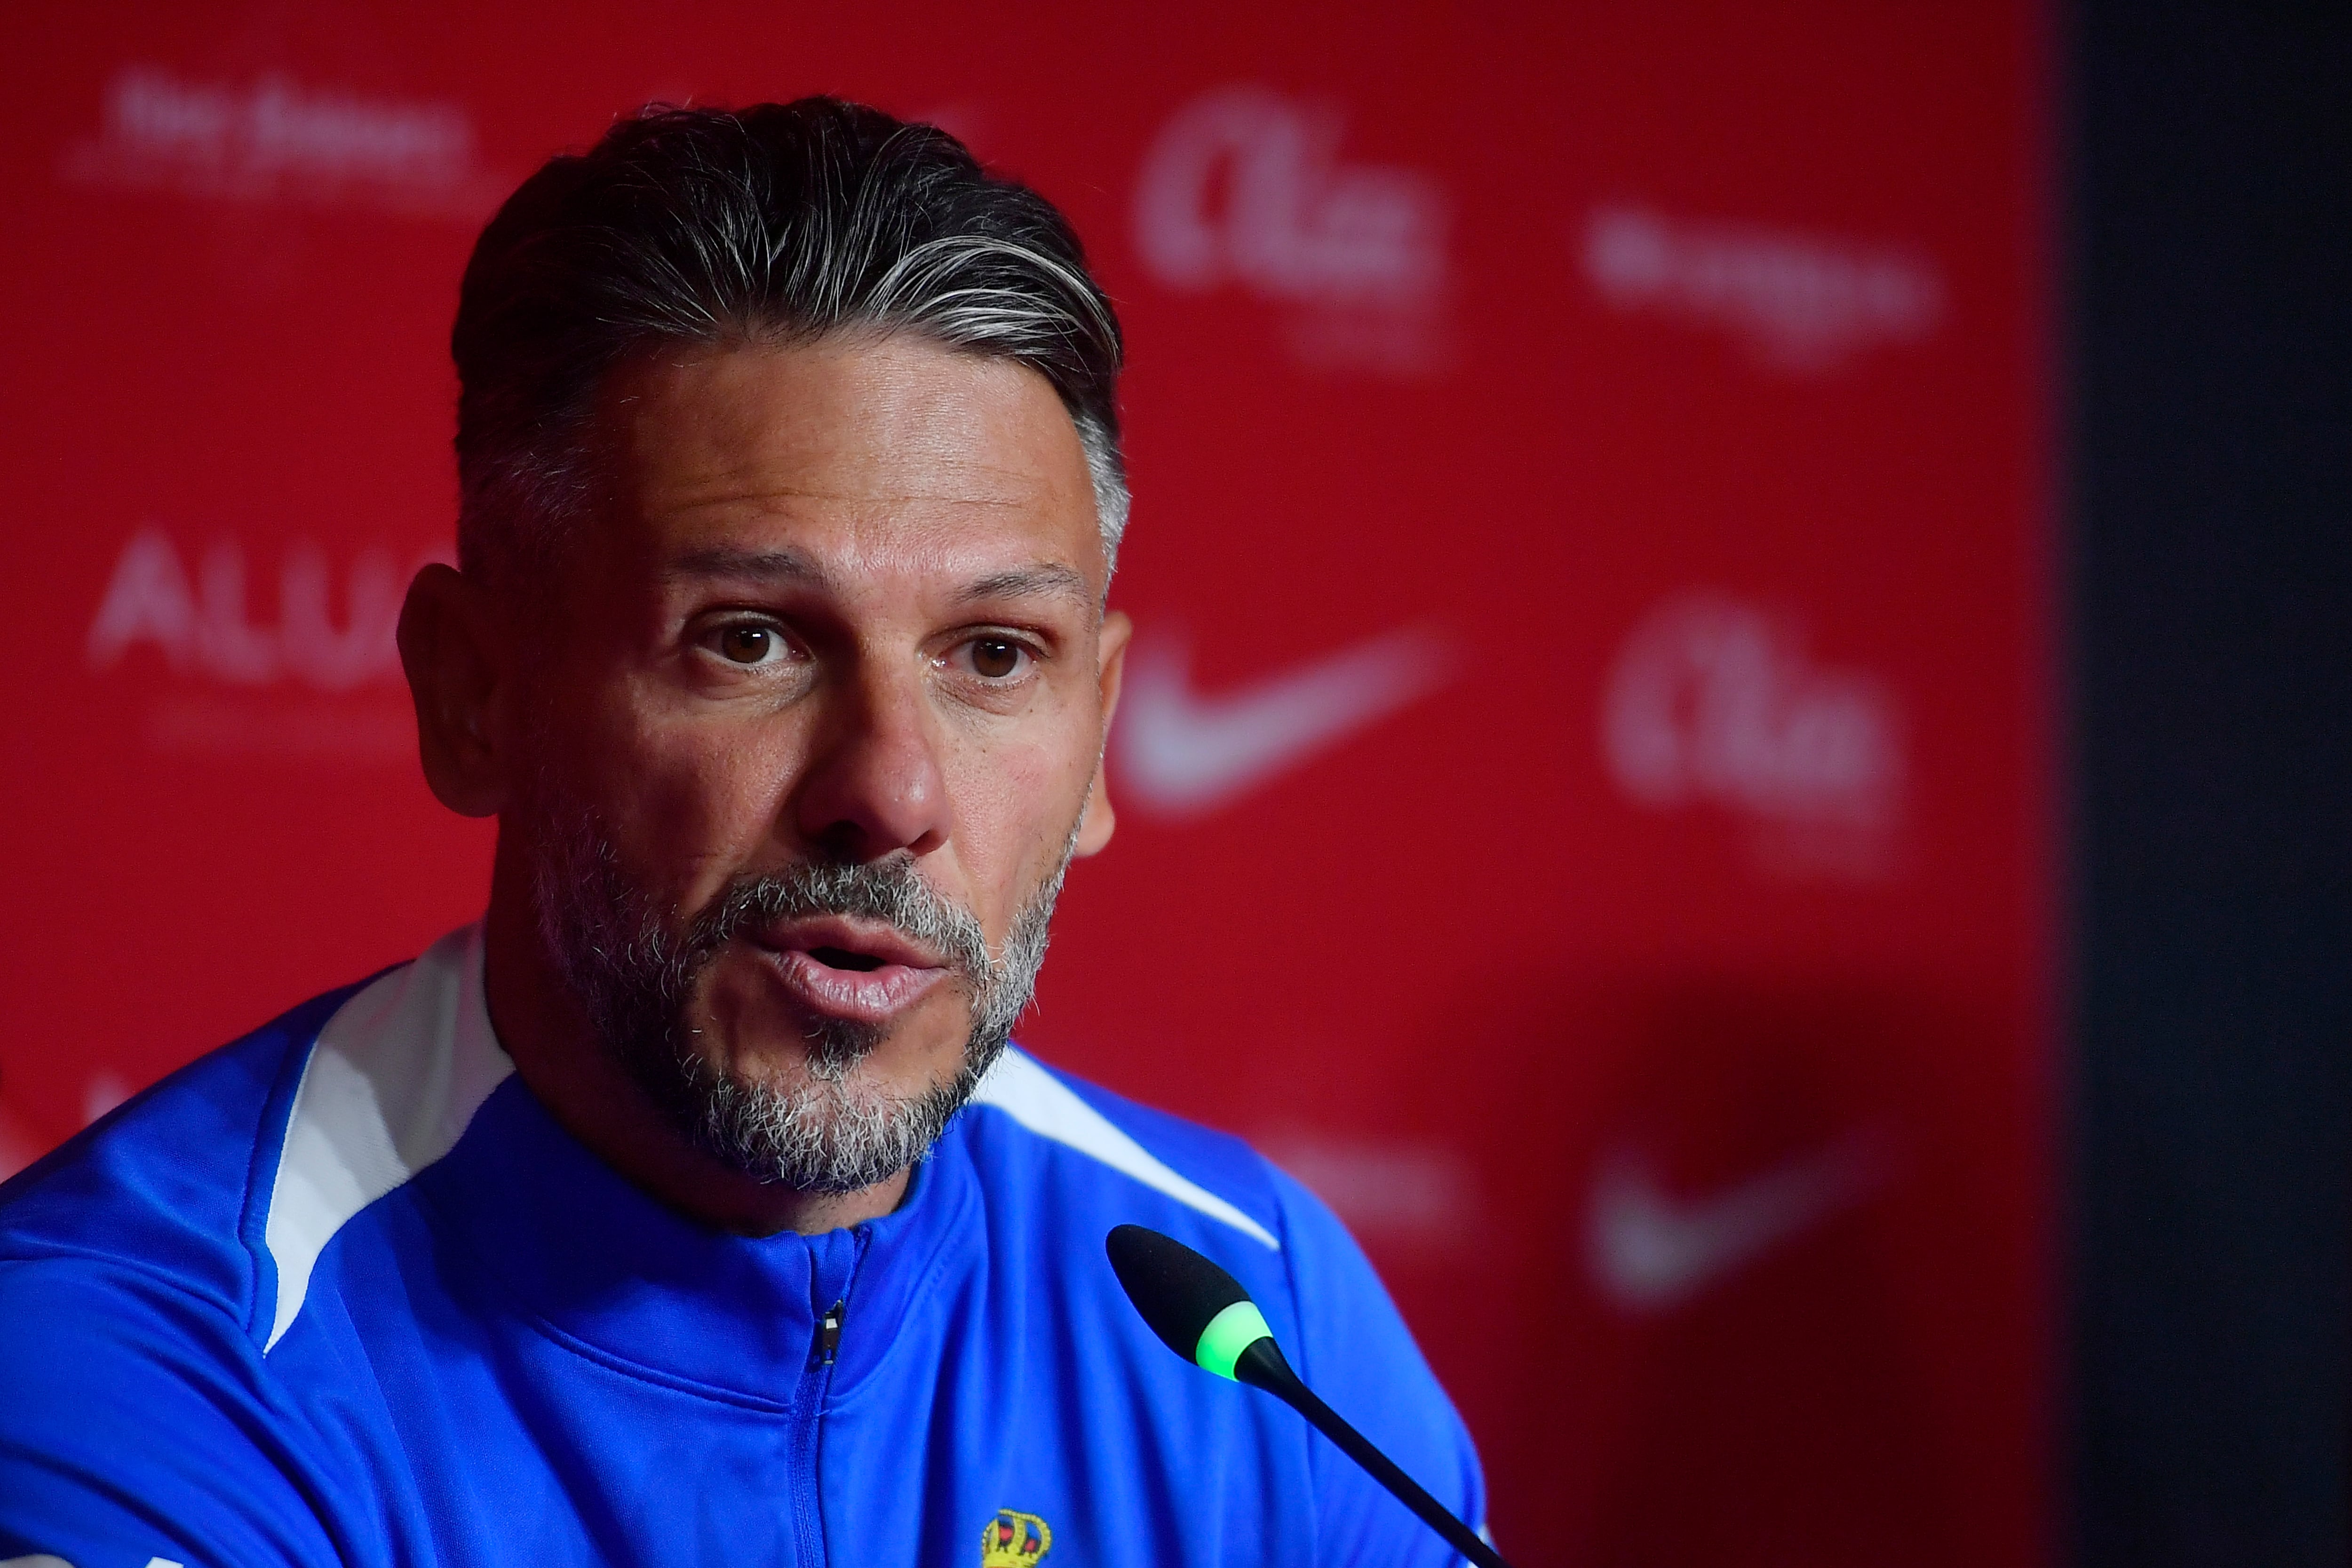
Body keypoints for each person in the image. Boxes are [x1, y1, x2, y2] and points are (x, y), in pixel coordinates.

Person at [0, 99, 1485, 1568]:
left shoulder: (1259, 1326)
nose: (893, 794)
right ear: (476, 696)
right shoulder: (151, 1359)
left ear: (1099, 734)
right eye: (754, 640)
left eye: (993, 656)